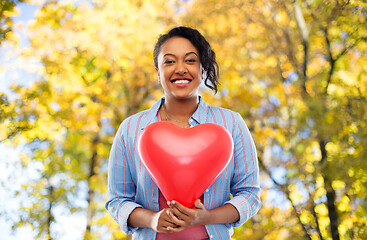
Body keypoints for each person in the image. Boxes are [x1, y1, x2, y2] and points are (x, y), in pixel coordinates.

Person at [105, 26, 261, 240]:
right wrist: (152, 219)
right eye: (169, 61)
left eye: (190, 60)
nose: (180, 69)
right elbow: (117, 200)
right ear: (158, 71)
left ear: (203, 68)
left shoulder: (231, 123)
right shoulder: (130, 128)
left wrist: (206, 217)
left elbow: (250, 195)